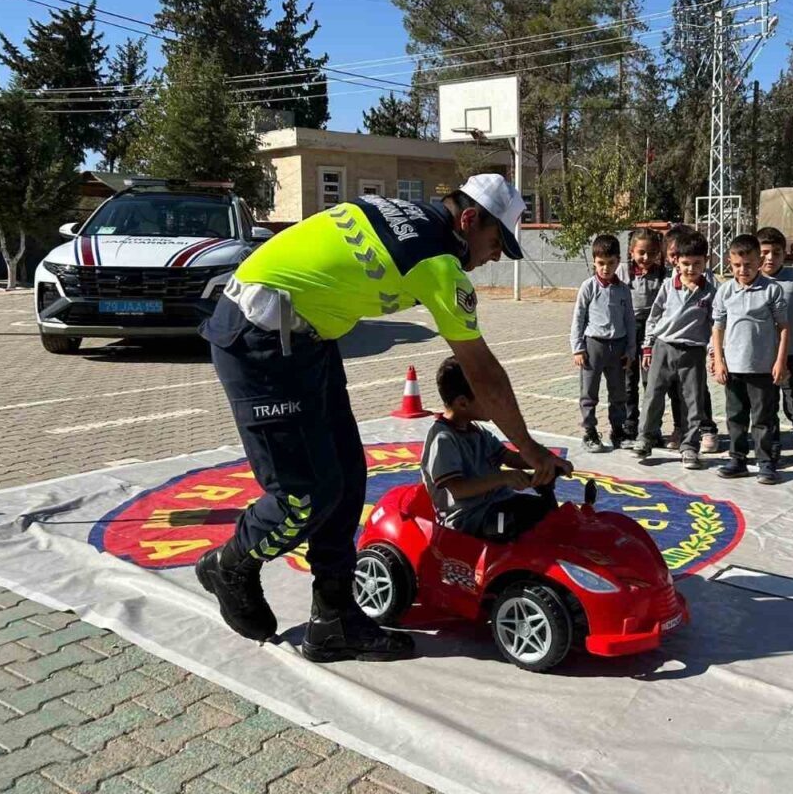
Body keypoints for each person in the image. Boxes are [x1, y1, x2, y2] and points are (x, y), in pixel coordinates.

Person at [194, 174, 573, 664]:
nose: (496, 256)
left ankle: (333, 621)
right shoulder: (439, 264)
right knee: (304, 496)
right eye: (497, 241)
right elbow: (485, 375)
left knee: (348, 479)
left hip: (304, 337)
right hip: (260, 338)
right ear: (469, 219)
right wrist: (531, 450)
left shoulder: (409, 216)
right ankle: (231, 563)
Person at [421, 358, 551, 541]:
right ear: (463, 403)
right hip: (469, 518)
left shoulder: (478, 432)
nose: (494, 403)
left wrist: (544, 459)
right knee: (517, 526)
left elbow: (508, 457)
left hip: (498, 504)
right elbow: (458, 489)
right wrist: (503, 478)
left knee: (547, 513)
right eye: (487, 399)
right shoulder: (443, 439)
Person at [633, 228, 716, 470]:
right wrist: (648, 346)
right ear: (676, 262)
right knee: (653, 396)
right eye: (686, 263)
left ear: (705, 262)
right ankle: (645, 438)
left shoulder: (711, 292)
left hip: (693, 352)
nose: (691, 269)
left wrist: (713, 353)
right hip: (663, 347)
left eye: (697, 263)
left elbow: (714, 324)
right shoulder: (669, 286)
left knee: (693, 401)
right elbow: (654, 316)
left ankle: (690, 446)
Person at [711, 234, 790, 483]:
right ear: (729, 263)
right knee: (735, 416)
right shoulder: (725, 291)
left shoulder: (772, 290)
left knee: (763, 418)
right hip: (733, 367)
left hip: (763, 368)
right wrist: (719, 360)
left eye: (748, 264)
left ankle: (766, 463)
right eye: (737, 265)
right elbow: (717, 328)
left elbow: (784, 327)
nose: (742, 270)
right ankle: (737, 459)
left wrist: (780, 361)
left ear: (759, 261)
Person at [756, 227, 793, 475]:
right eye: (764, 252)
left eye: (776, 253)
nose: (770, 258)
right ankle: (771, 450)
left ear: (784, 255)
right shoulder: (751, 280)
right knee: (766, 406)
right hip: (761, 359)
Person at [570, 234, 636, 452]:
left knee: (618, 393)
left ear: (618, 261)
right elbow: (578, 318)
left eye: (610, 263)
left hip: (617, 348)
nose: (606, 268)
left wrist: (630, 349)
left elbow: (629, 321)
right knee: (589, 392)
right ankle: (589, 432)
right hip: (593, 347)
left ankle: (617, 431)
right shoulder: (588, 287)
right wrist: (578, 348)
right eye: (601, 263)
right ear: (594, 261)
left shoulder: (624, 289)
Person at [662, 226, 720, 453]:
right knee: (675, 390)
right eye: (672, 255)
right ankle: (681, 427)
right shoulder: (670, 280)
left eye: (679, 254)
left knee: (697, 391)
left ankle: (707, 429)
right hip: (672, 344)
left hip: (696, 346)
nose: (676, 260)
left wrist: (714, 351)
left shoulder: (709, 282)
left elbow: (716, 318)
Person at [617, 228, 666, 442]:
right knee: (629, 381)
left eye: (652, 253)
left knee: (651, 382)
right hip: (628, 330)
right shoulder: (622, 272)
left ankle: (651, 426)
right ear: (631, 251)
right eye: (641, 252)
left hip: (653, 332)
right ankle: (630, 423)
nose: (646, 258)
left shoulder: (664, 275)